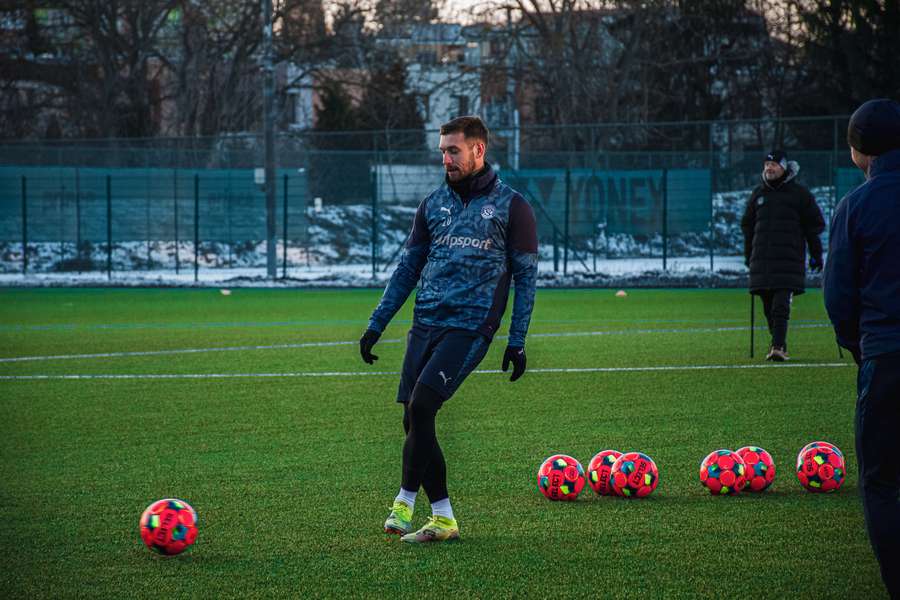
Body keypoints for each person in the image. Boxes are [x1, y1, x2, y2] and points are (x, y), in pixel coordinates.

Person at [358, 115, 538, 544]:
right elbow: (407, 269)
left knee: (421, 408)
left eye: (453, 150)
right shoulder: (432, 204)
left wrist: (516, 341)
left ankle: (403, 501)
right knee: (413, 420)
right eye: (442, 151)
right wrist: (376, 325)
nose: (446, 158)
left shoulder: (513, 207)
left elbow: (525, 278)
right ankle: (443, 518)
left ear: (479, 150)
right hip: (425, 324)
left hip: (470, 328)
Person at [824, 98, 900, 599]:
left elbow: (838, 295)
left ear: (858, 150)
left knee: (881, 481)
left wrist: (859, 344)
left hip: (887, 356)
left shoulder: (856, 205)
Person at [741, 149, 825, 361]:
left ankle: (778, 346)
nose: (769, 168)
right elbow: (747, 227)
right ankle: (778, 343)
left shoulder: (800, 195)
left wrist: (816, 254)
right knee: (768, 307)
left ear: (784, 167)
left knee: (780, 305)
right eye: (766, 165)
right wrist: (748, 254)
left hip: (788, 261)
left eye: (774, 165)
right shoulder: (758, 194)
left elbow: (813, 226)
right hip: (762, 261)